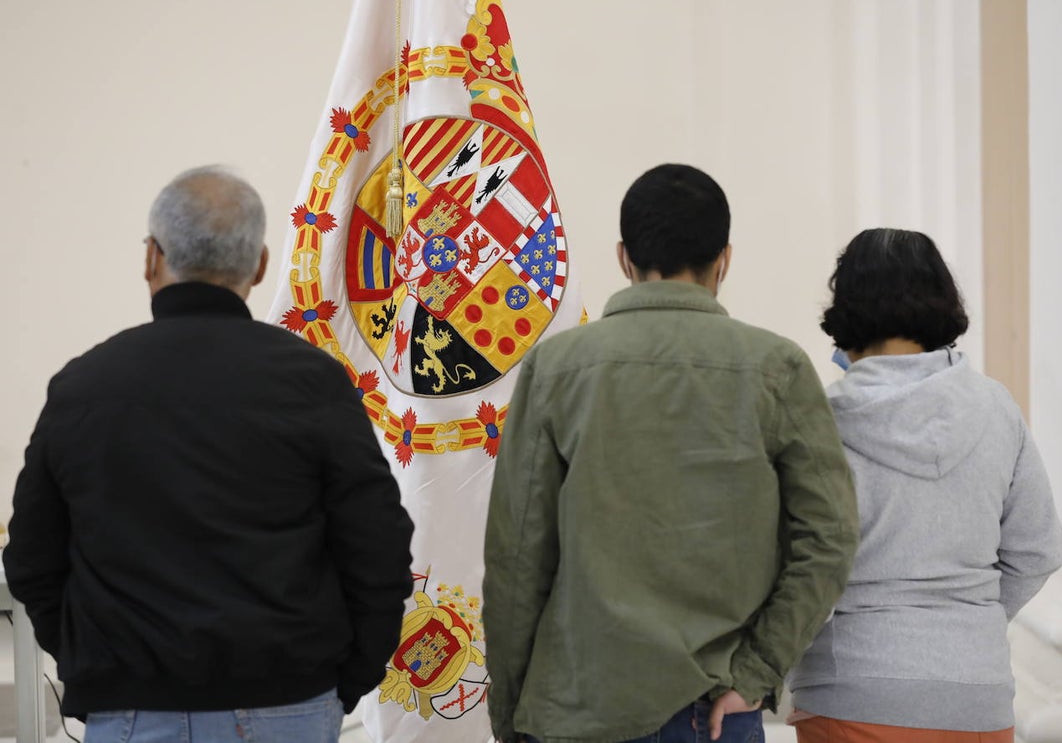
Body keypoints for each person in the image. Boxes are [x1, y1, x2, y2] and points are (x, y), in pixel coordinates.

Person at [3, 166, 415, 742]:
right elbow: (378, 550)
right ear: (261, 264)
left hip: (130, 709)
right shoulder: (312, 382)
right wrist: (346, 679)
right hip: (289, 703)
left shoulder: (83, 386)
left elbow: (30, 559)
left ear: (151, 257)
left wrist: (94, 666)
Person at [482, 164, 859, 743]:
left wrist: (511, 714)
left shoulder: (556, 367)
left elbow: (517, 557)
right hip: (715, 708)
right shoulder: (777, 369)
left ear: (623, 258)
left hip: (577, 706)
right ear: (724, 259)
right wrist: (759, 669)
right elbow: (830, 537)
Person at [787, 228, 1062, 742]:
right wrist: (968, 625)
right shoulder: (997, 408)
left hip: (854, 693)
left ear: (845, 309)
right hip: (977, 698)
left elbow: (803, 571)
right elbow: (1038, 551)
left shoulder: (820, 421)